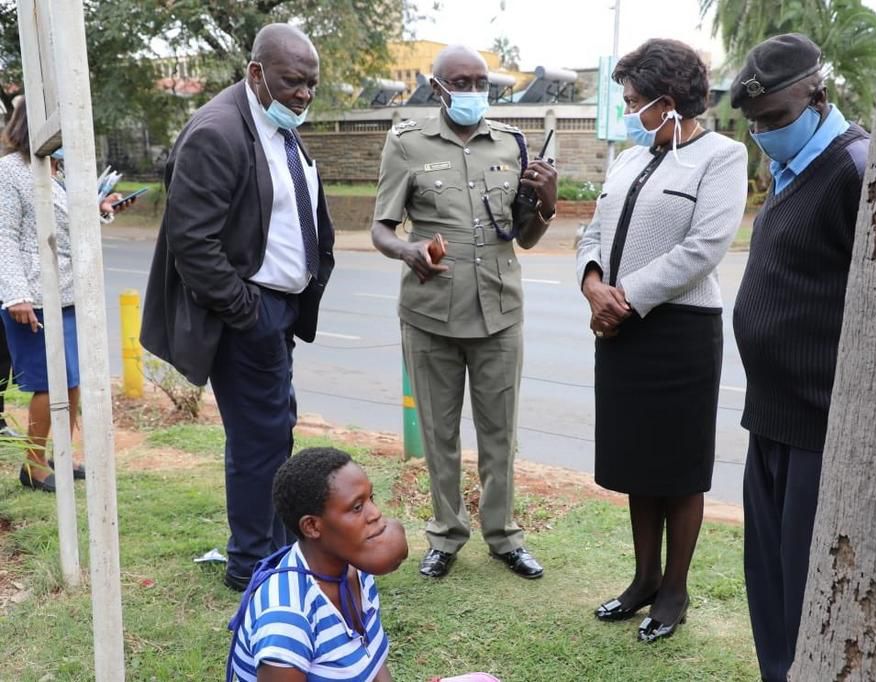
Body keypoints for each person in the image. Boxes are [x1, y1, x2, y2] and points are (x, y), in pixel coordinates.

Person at [140, 24, 335, 591]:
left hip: (278, 310)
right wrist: (247, 312)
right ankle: (253, 564)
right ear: (256, 73)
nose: (303, 94)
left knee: (273, 431)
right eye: (292, 81)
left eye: (311, 85)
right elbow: (191, 243)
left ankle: (269, 548)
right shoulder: (218, 132)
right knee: (261, 441)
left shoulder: (276, 122)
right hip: (248, 313)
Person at [576, 39, 748, 643]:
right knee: (636, 462)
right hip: (619, 328)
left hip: (678, 334)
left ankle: (674, 589)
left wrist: (627, 297)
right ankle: (643, 578)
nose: (629, 111)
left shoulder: (721, 158)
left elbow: (705, 247)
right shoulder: (626, 159)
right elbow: (592, 229)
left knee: (677, 468)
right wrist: (594, 284)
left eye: (633, 101)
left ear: (668, 104)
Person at [370, 45, 557, 580]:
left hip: (499, 311)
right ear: (437, 88)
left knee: (501, 433)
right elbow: (382, 227)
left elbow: (524, 236)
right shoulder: (407, 143)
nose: (475, 92)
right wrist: (408, 251)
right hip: (431, 312)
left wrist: (546, 203)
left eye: (482, 83)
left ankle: (503, 536)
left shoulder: (511, 142)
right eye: (463, 82)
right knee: (439, 432)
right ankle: (447, 534)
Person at [730, 34, 869, 680]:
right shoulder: (791, 168)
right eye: (754, 124)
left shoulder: (853, 170)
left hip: (818, 428)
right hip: (772, 420)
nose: (763, 133)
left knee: (805, 596)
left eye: (776, 119)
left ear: (819, 97)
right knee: (768, 584)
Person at [0, 96, 133, 491]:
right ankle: (33, 464)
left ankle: (58, 455)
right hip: (33, 299)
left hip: (68, 295)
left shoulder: (52, 169)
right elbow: (4, 236)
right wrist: (15, 295)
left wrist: (101, 209)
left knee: (72, 381)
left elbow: (64, 223)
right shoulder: (10, 171)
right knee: (48, 383)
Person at [227, 447, 409, 681]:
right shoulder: (287, 620)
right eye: (357, 507)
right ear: (312, 526)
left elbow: (373, 664)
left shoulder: (355, 565)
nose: (375, 513)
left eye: (370, 498)